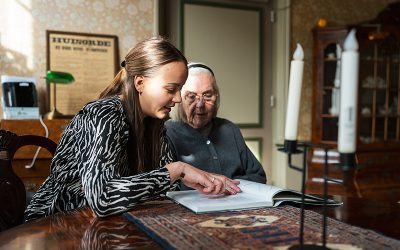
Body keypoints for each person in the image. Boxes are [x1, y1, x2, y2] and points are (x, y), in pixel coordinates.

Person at [25, 38, 241, 222]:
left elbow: (165, 189)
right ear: (140, 83)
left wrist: (201, 180)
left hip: (112, 222)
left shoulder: (156, 124)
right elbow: (102, 199)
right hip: (57, 222)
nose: (177, 99)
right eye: (171, 89)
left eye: (179, 90)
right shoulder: (103, 114)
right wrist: (178, 171)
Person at [165, 62, 266, 190]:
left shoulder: (230, 129)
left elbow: (258, 176)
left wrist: (226, 187)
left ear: (216, 97)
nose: (200, 104)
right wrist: (214, 187)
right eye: (191, 96)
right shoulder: (167, 133)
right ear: (179, 98)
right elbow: (167, 187)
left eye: (207, 95)